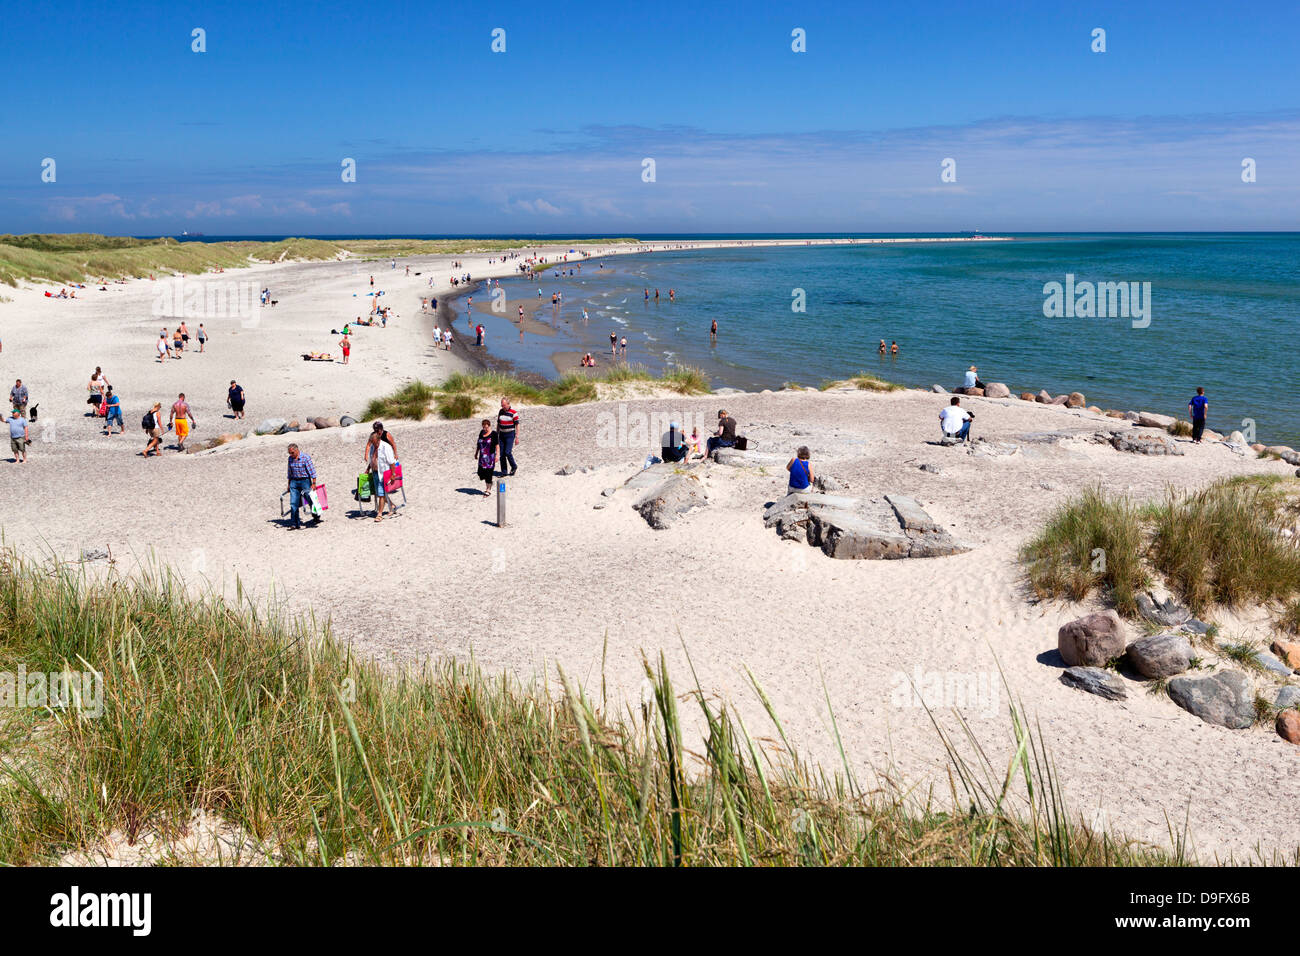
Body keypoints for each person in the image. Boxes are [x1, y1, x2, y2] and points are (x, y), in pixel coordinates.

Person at [365, 423, 399, 522]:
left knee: (380, 493)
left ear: (378, 440)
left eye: (375, 443)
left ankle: (379, 514)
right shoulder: (373, 447)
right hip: (375, 472)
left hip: (383, 473)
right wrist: (368, 469)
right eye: (372, 443)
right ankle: (392, 505)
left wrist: (393, 475)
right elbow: (373, 459)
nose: (373, 445)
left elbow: (392, 462)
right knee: (380, 492)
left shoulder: (385, 447)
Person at [285, 444, 321, 529]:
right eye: (289, 453)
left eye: (292, 453)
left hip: (305, 481)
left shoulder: (305, 458)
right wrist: (289, 484)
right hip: (294, 482)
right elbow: (289, 472)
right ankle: (294, 523)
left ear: (297, 450)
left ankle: (316, 516)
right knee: (293, 503)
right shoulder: (290, 459)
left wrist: (314, 483)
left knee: (310, 499)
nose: (291, 455)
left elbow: (312, 471)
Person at [475, 419, 499, 495]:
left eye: (486, 427)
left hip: (490, 457)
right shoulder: (481, 433)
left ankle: (488, 489)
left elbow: (497, 445)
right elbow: (478, 444)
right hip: (482, 457)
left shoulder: (494, 434)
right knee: (481, 473)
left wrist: (497, 455)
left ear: (489, 426)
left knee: (489, 473)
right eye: (483, 427)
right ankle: (489, 483)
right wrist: (476, 453)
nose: (485, 429)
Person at [496, 397, 519, 475]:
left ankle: (514, 466)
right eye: (502, 405)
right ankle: (504, 471)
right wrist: (496, 434)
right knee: (501, 454)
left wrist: (517, 437)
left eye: (504, 405)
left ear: (508, 404)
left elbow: (517, 425)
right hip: (502, 434)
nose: (503, 407)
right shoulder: (500, 411)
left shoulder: (514, 412)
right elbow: (498, 423)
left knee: (507, 452)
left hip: (510, 434)